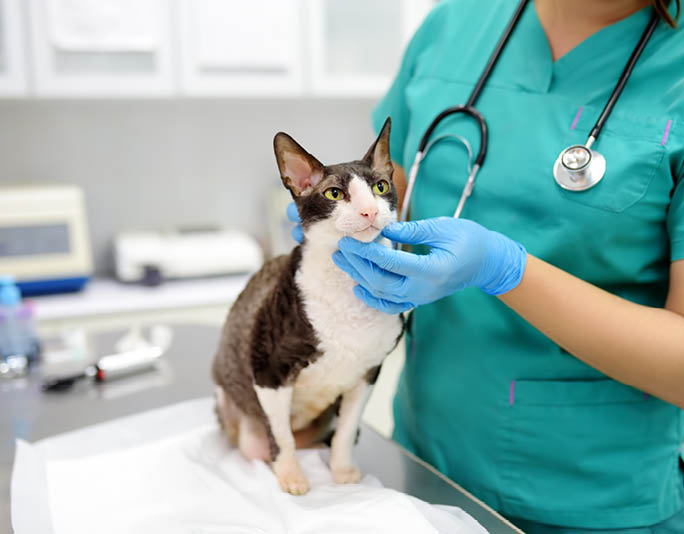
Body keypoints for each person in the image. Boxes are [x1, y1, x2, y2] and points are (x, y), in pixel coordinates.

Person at [290, 0, 684, 531]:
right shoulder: (455, 24)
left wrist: (506, 270)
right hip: (419, 473)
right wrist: (317, 391)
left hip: (593, 497)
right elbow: (389, 195)